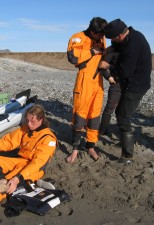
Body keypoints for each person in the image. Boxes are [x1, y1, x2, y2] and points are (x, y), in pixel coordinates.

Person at [99, 19, 152, 163]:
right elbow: (116, 48)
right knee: (122, 114)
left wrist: (107, 65)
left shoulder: (132, 45)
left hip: (136, 86)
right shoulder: (133, 35)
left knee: (123, 116)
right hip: (134, 83)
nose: (112, 41)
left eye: (112, 39)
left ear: (119, 36)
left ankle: (127, 155)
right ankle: (124, 141)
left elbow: (124, 71)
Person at [66, 17, 107, 163]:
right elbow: (72, 58)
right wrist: (92, 51)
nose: (102, 38)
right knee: (79, 117)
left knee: (95, 118)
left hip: (98, 82)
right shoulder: (77, 38)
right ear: (92, 31)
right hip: (84, 82)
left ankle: (91, 146)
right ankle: (75, 150)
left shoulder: (102, 38)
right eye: (100, 35)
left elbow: (103, 56)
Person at [98, 43, 121, 136]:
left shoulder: (129, 49)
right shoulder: (111, 50)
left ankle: (122, 131)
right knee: (109, 109)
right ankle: (102, 130)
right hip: (116, 84)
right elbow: (101, 66)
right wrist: (109, 77)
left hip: (129, 85)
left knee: (123, 110)